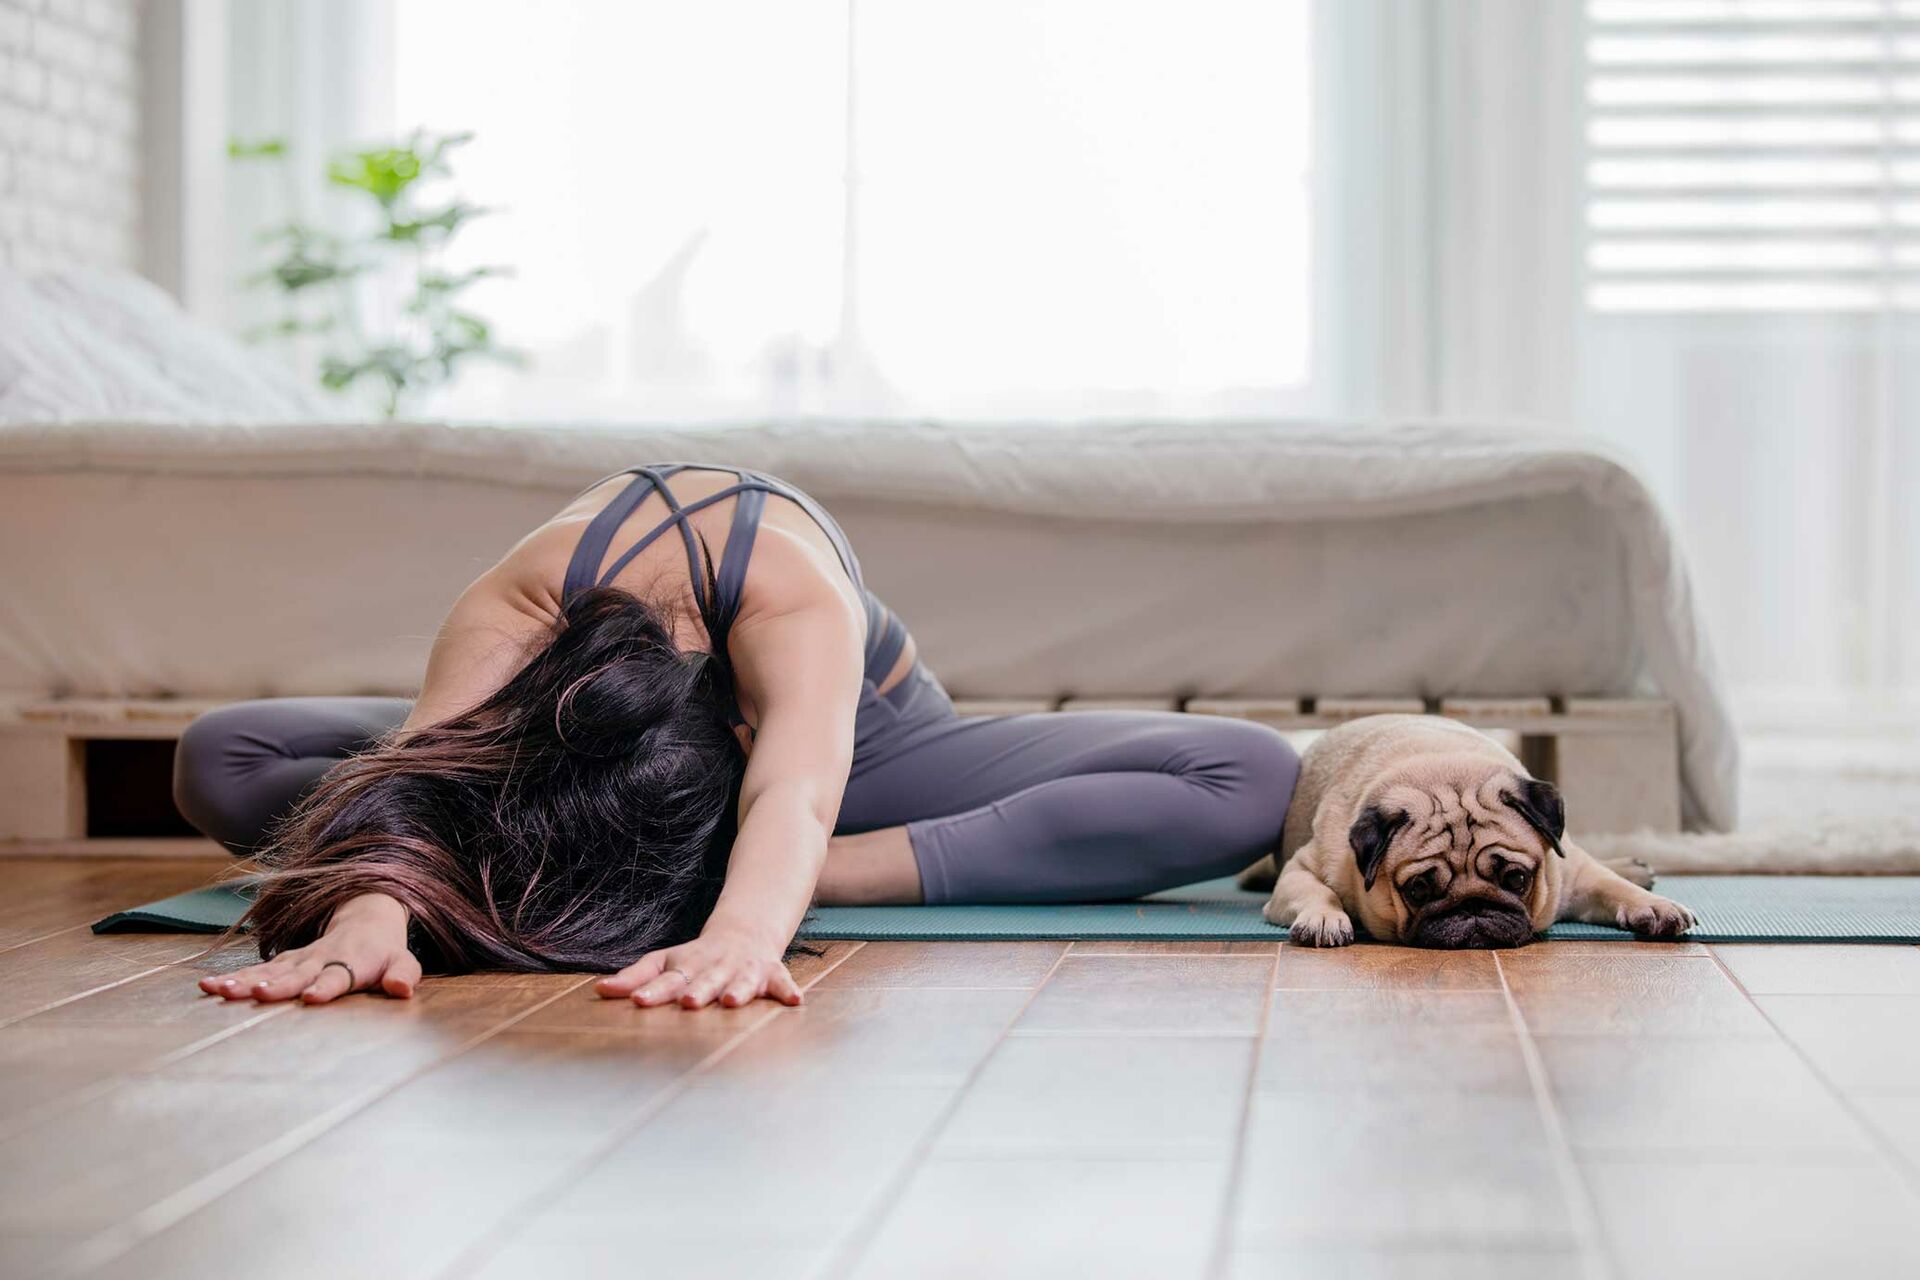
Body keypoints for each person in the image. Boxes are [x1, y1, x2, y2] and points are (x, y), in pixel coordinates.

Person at [175, 464, 1299, 1011]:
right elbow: (414, 782)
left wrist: (750, 924)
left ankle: (789, 877)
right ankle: (623, 842)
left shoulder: (788, 602)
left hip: (869, 758)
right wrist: (370, 911)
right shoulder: (516, 605)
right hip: (565, 758)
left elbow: (792, 796)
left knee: (1245, 774)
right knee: (227, 757)